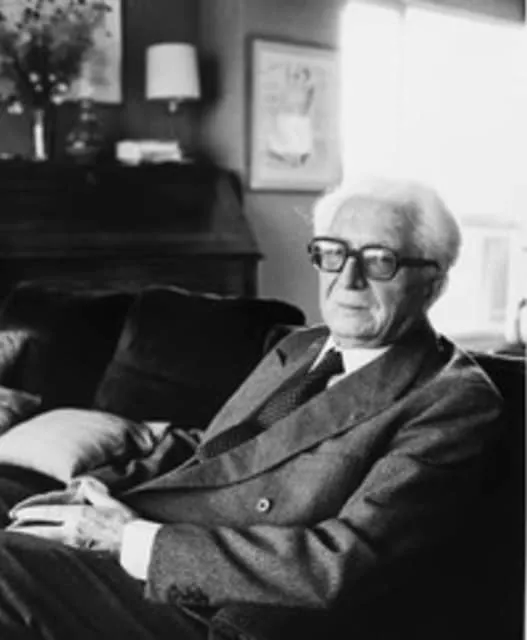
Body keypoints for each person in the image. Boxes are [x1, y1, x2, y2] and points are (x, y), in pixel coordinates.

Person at [0, 178, 503, 640]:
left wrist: (132, 539)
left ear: (433, 282)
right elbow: (216, 453)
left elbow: (341, 563)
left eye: (378, 261)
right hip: (163, 552)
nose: (348, 279)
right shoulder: (301, 348)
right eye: (333, 253)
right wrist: (94, 491)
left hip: (229, 610)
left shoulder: (452, 399)